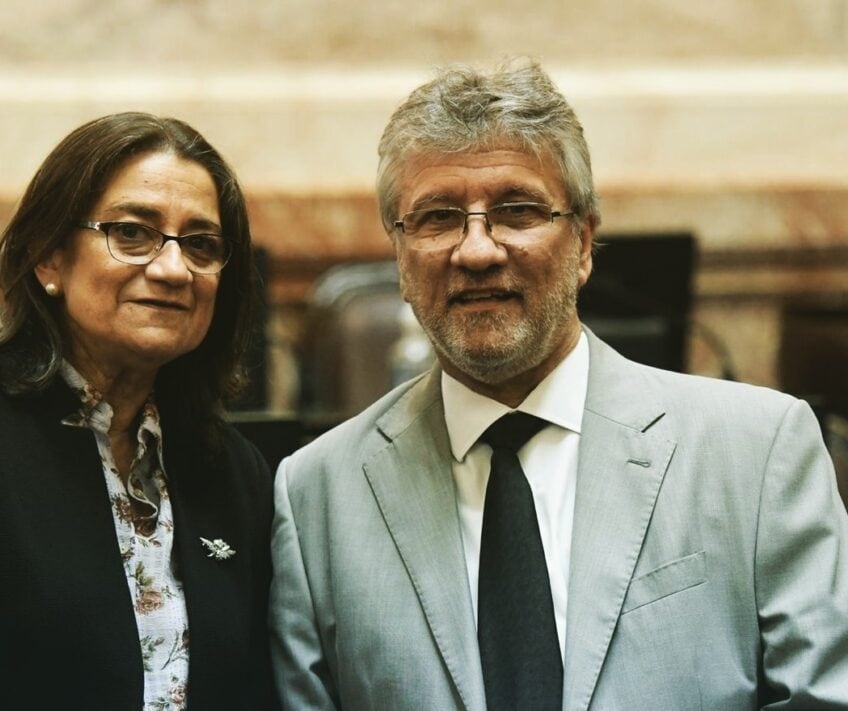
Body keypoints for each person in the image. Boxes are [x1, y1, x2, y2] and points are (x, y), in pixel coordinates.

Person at [269, 58, 848, 710]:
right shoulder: (316, 494)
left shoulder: (756, 448)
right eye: (437, 217)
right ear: (401, 262)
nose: (477, 250)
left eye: (517, 210)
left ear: (585, 243)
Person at [0, 112, 276, 710]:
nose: (172, 270)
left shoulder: (233, 468)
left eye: (201, 245)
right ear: (48, 258)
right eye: (132, 233)